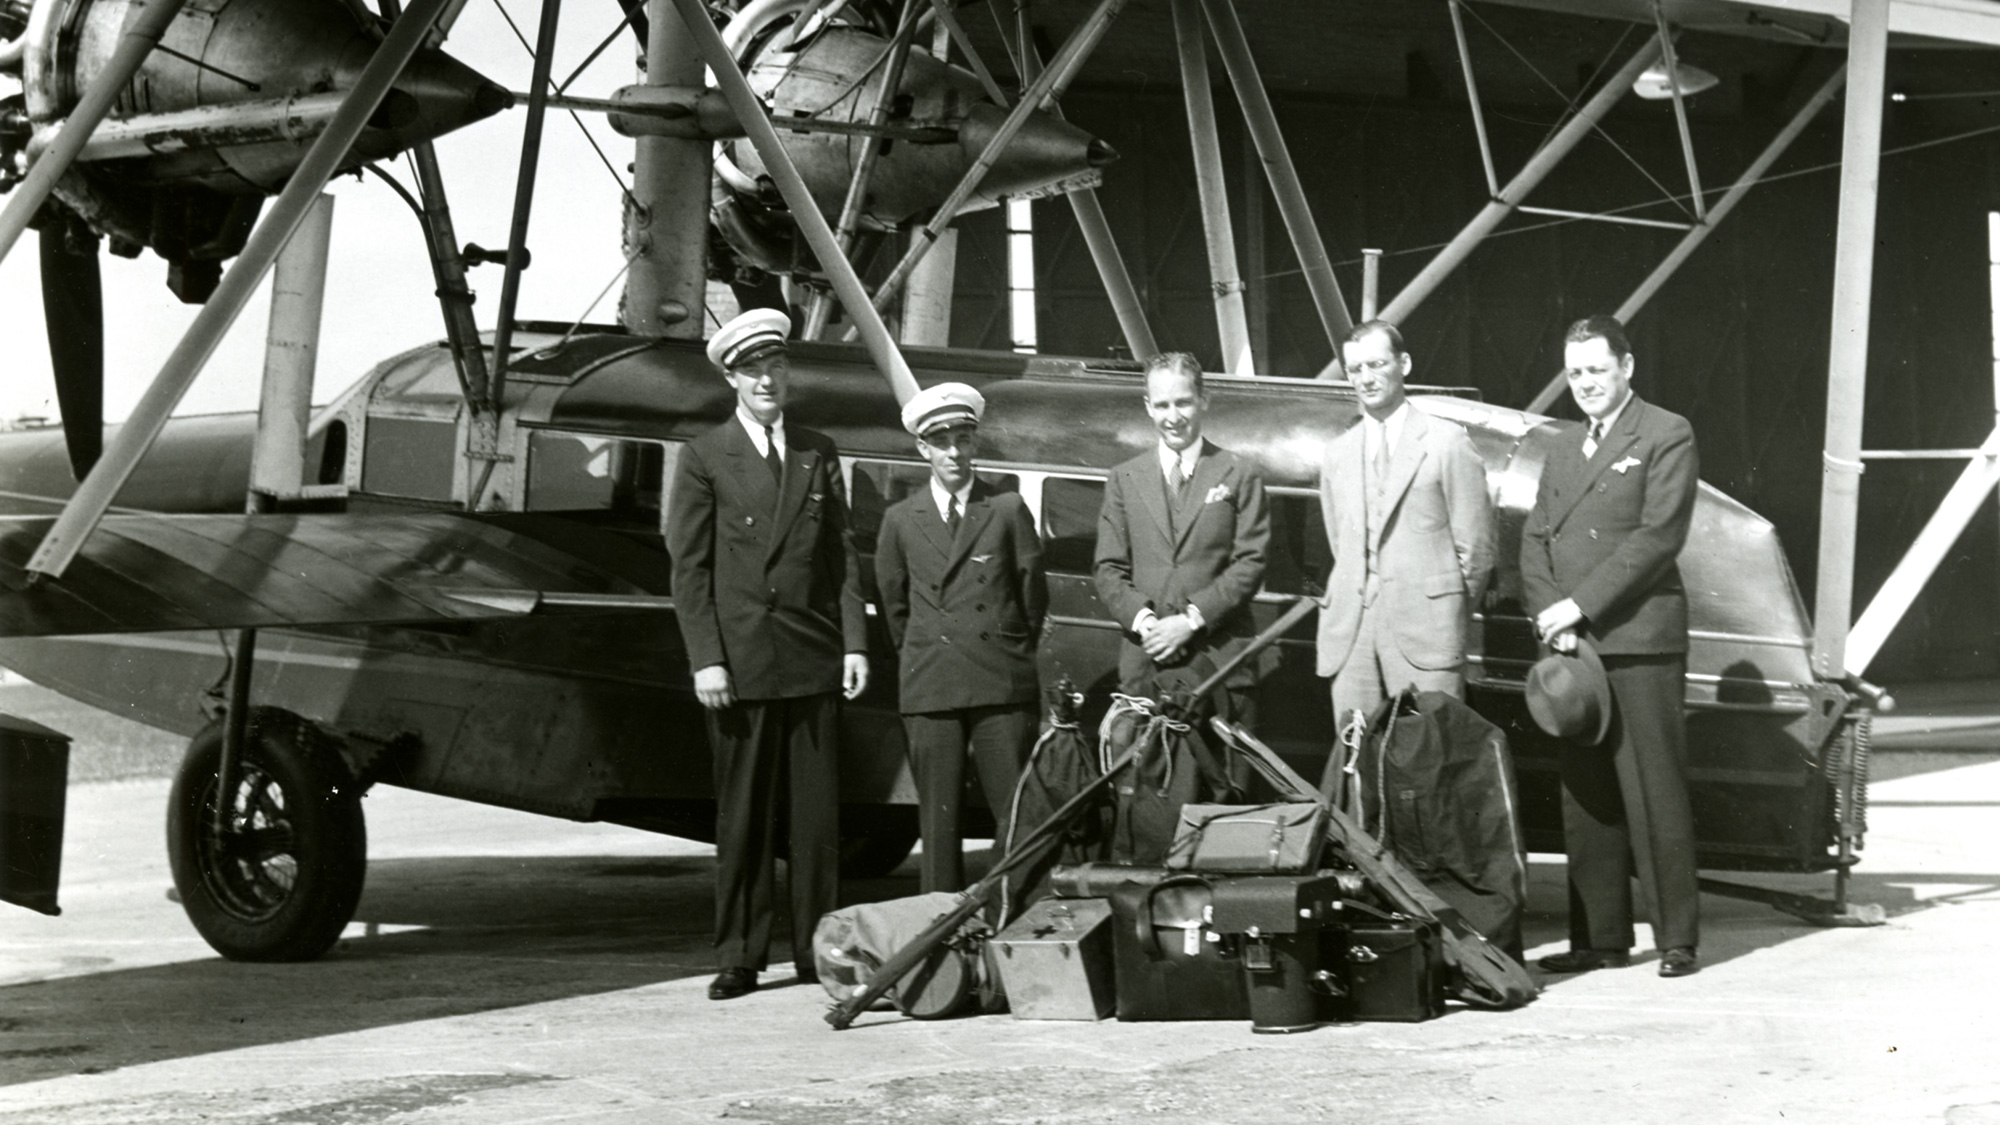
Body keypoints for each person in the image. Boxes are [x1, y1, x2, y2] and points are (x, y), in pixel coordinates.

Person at [666, 307, 870, 1001]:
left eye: (776, 366)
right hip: (742, 665)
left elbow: (842, 554)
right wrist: (706, 658)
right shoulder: (703, 456)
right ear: (731, 377)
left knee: (817, 820)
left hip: (811, 657)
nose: (766, 378)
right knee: (745, 815)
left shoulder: (818, 450)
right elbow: (688, 570)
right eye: (752, 369)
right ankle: (742, 954)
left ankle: (820, 950)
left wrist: (854, 643)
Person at [1520, 314, 1702, 979]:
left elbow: (1657, 537)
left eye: (1597, 369)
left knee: (1655, 791)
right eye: (1574, 373)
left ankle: (1676, 935)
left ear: (1627, 367)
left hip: (1638, 642)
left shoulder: (1665, 432)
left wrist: (1580, 604)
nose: (1586, 383)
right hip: (1573, 646)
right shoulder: (1562, 446)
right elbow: (1535, 537)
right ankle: (1600, 937)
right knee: (1586, 797)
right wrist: (1550, 613)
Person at [873, 383, 1047, 895]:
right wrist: (930, 648)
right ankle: (942, 930)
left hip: (1000, 679)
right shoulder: (900, 521)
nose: (954, 451)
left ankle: (1019, 926)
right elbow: (895, 607)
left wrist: (1004, 650)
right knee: (939, 824)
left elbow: (1031, 597)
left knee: (1015, 817)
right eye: (941, 441)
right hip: (932, 684)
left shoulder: (1007, 509)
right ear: (922, 448)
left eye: (963, 439)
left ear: (974, 443)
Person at [1094, 351, 1269, 787]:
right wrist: (1150, 623)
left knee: (1224, 795)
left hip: (1219, 664)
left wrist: (1190, 621)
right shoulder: (1124, 478)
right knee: (1148, 794)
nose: (1173, 417)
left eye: (1183, 403)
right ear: (1148, 406)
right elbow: (1108, 568)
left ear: (1204, 401)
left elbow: (1251, 562)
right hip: (1147, 664)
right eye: (1163, 405)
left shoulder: (1239, 473)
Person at [1317, 319, 1493, 726]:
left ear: (1405, 364)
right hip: (1351, 638)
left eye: (1377, 364)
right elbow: (1340, 543)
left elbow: (1477, 549)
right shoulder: (1338, 454)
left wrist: (1444, 616)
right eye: (1355, 369)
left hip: (1427, 640)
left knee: (1429, 761)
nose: (1366, 378)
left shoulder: (1446, 442)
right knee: (1355, 764)